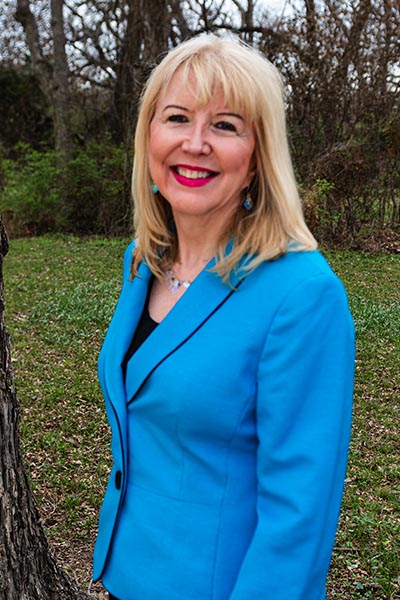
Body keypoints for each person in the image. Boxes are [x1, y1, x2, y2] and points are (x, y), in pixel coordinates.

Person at [92, 34, 355, 600]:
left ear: (258, 157)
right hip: (125, 573)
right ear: (149, 137)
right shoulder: (144, 263)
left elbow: (299, 512)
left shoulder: (303, 295)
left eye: (226, 126)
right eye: (178, 118)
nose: (195, 143)